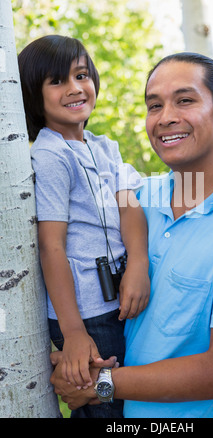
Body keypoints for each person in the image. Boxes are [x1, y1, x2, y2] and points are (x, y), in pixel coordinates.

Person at [50, 52, 213, 418]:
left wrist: (100, 384)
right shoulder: (135, 201)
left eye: (185, 100)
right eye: (154, 105)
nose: (165, 118)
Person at [18, 35, 150, 418]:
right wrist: (74, 332)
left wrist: (138, 264)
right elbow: (51, 246)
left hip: (123, 300)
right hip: (86, 315)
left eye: (81, 75)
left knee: (122, 402)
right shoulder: (50, 155)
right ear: (33, 96)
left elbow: (129, 206)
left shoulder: (104, 146)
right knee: (101, 405)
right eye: (57, 82)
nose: (75, 88)